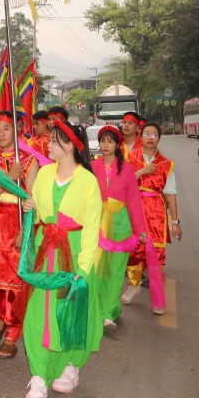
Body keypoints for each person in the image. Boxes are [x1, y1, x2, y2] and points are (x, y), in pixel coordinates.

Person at [19, 120, 102, 398]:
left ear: (69, 146)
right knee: (38, 313)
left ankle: (71, 365)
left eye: (53, 141)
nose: (48, 144)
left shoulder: (89, 181)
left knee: (72, 314)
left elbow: (92, 227)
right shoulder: (43, 173)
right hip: (46, 252)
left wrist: (83, 267)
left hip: (76, 252)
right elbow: (38, 210)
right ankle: (39, 375)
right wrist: (30, 206)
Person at [0, 111, 39, 359]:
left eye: (7, 128)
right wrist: (7, 178)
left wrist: (25, 232)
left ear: (17, 130)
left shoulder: (29, 161)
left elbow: (32, 200)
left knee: (16, 280)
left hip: (19, 223)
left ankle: (14, 330)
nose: (1, 134)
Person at [90, 125, 149, 329]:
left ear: (117, 144)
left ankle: (107, 313)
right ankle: (97, 309)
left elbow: (133, 201)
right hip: (97, 225)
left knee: (116, 271)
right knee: (97, 270)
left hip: (121, 226)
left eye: (110, 141)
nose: (105, 145)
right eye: (103, 141)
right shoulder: (92, 167)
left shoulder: (128, 169)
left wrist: (140, 230)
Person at [122, 122, 181, 307]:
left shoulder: (166, 164)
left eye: (154, 134)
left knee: (157, 254)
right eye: (147, 133)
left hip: (156, 212)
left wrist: (176, 221)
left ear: (158, 139)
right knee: (134, 250)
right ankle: (134, 285)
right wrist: (142, 172)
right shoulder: (129, 158)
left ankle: (158, 297)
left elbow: (170, 194)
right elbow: (122, 184)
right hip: (135, 209)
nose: (150, 137)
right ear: (140, 136)